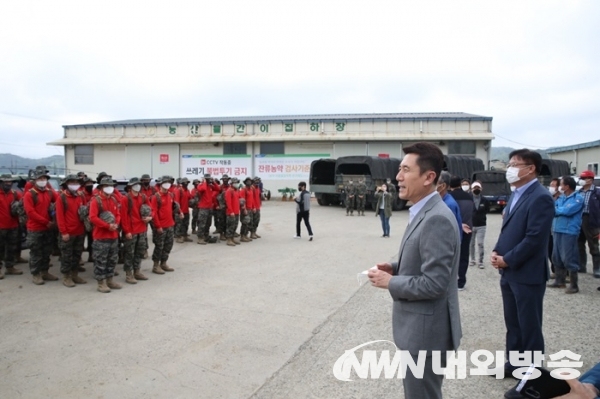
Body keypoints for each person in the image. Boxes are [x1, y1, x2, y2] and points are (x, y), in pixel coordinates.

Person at [368, 142, 461, 399]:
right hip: (420, 331)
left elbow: (435, 283)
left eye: (406, 170)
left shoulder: (436, 218)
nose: (398, 177)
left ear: (429, 177)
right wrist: (396, 268)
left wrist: (391, 282)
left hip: (425, 335)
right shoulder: (423, 211)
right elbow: (426, 262)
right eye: (399, 169)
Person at [490, 149, 554, 399]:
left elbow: (535, 238)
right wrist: (498, 251)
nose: (510, 168)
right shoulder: (516, 194)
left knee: (529, 326)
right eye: (510, 163)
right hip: (509, 271)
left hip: (526, 273)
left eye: (516, 164)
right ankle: (514, 363)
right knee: (513, 323)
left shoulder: (540, 197)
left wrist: (508, 259)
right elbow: (510, 230)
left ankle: (533, 375)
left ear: (531, 169)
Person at [548, 176, 584, 293]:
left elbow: (566, 211)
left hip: (569, 231)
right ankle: (560, 281)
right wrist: (558, 210)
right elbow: (555, 208)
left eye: (561, 184)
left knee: (568, 258)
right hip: (557, 230)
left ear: (567, 186)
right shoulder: (561, 198)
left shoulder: (578, 198)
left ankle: (574, 285)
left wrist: (557, 210)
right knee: (556, 257)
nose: (559, 187)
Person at [23, 169, 58, 285]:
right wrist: (46, 222)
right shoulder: (30, 194)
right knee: (36, 252)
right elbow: (30, 212)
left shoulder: (49, 192)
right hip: (35, 229)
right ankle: (36, 274)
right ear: (35, 180)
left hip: (47, 228)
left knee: (46, 252)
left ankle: (45, 272)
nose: (42, 181)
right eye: (40, 179)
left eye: (44, 179)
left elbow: (58, 201)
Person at [89, 177, 122, 293]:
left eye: (111, 186)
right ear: (101, 187)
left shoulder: (113, 199)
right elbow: (93, 217)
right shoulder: (96, 201)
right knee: (100, 261)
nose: (110, 188)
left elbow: (118, 214)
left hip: (113, 235)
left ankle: (110, 280)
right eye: (107, 186)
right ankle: (101, 283)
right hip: (101, 237)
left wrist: (116, 224)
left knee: (112, 260)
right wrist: (107, 226)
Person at [55, 175, 87, 287]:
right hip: (68, 233)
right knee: (66, 256)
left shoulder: (80, 196)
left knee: (77, 255)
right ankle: (66, 277)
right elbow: (60, 217)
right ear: (66, 184)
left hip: (80, 231)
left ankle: (75, 274)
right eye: (72, 182)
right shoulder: (62, 198)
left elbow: (84, 212)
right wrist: (64, 232)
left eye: (76, 182)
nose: (75, 184)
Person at [120, 177, 152, 284]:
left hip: (142, 229)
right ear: (130, 187)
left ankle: (137, 271)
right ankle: (129, 274)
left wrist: (150, 217)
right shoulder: (126, 199)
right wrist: (127, 231)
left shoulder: (143, 197)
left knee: (139, 252)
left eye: (139, 184)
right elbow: (123, 217)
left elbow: (150, 208)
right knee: (129, 253)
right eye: (135, 184)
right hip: (131, 230)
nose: (137, 186)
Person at [449, 175, 474, 291]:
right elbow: (470, 213)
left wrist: (459, 224)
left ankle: (450, 280)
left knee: (451, 255)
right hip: (468, 229)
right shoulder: (469, 197)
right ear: (460, 184)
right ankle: (461, 281)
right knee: (464, 256)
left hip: (453, 230)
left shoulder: (448, 197)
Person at [150, 176, 179, 274]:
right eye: (165, 183)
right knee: (159, 246)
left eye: (168, 183)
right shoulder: (156, 197)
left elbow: (172, 208)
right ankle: (156, 265)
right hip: (161, 226)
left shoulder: (171, 195)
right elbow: (154, 213)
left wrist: (179, 212)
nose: (167, 185)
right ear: (160, 184)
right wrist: (158, 226)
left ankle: (164, 262)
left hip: (170, 224)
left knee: (168, 245)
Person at [577, 170, 600, 277]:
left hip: (591, 220)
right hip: (579, 219)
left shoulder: (597, 193)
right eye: (581, 178)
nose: (581, 181)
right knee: (579, 244)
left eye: (584, 178)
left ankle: (597, 268)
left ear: (590, 180)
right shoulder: (578, 192)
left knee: (593, 245)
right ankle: (582, 266)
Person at [0, 174, 23, 278]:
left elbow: (23, 202)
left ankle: (10, 267)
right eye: (5, 182)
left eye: (10, 182)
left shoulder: (15, 194)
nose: (8, 184)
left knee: (11, 247)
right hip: (0, 226)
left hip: (13, 225)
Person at [470, 181, 490, 269]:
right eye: (475, 188)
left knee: (480, 243)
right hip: (471, 224)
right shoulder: (469, 199)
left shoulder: (485, 200)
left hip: (481, 225)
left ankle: (480, 261)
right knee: (471, 244)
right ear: (472, 189)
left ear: (481, 189)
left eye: (478, 188)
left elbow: (487, 210)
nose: (476, 189)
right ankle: (472, 259)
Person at [437, 171, 463, 240]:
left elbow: (448, 231)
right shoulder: (443, 201)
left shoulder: (448, 205)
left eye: (435, 182)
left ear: (443, 186)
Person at [225, 177, 241, 246]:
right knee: (230, 226)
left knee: (235, 226)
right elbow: (228, 202)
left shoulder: (236, 190)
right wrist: (231, 211)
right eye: (235, 183)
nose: (236, 184)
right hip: (231, 212)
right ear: (231, 183)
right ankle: (229, 240)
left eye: (237, 182)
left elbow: (239, 198)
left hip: (236, 212)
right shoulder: (229, 190)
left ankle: (232, 238)